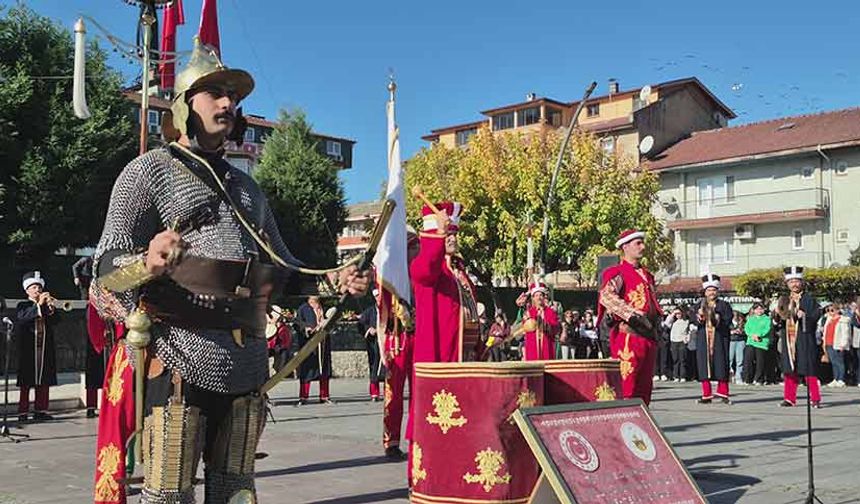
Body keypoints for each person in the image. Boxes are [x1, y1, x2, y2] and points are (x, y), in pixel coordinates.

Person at [90, 38, 368, 504]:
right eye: (215, 93)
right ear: (182, 106)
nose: (228, 103)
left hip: (244, 361)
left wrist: (333, 280)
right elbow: (104, 271)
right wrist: (147, 261)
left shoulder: (247, 189)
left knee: (236, 493)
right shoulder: (148, 173)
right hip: (178, 355)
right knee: (167, 496)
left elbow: (282, 271)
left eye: (233, 97)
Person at [597, 229, 662, 405]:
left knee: (644, 392)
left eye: (642, 242)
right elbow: (606, 296)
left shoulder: (647, 275)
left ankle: (639, 429)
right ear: (625, 247)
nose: (643, 246)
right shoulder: (617, 272)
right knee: (626, 387)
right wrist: (630, 313)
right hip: (629, 337)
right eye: (638, 243)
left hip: (648, 336)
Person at [410, 201, 480, 363]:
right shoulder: (424, 266)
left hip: (465, 357)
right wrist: (440, 232)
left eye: (455, 234)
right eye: (448, 235)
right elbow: (426, 269)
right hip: (441, 357)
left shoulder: (459, 271)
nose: (452, 239)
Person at [776, 266, 822, 408]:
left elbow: (816, 315)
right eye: (791, 282)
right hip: (788, 339)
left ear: (801, 282)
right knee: (789, 369)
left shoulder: (809, 299)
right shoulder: (784, 299)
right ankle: (789, 398)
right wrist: (776, 316)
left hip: (804, 338)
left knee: (809, 369)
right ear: (787, 284)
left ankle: (815, 398)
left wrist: (805, 316)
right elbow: (779, 319)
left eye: (797, 281)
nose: (794, 284)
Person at [15, 271, 58, 423]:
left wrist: (51, 308)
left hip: (44, 348)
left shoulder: (46, 306)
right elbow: (22, 319)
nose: (37, 290)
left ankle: (41, 410)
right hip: (29, 349)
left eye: (39, 287)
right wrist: (38, 306)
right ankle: (23, 411)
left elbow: (56, 321)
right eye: (34, 287)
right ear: (27, 290)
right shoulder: (23, 305)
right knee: (26, 381)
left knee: (44, 380)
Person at [694, 274, 733, 405]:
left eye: (714, 290)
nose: (711, 292)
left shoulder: (724, 305)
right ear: (705, 291)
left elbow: (728, 320)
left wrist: (718, 318)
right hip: (703, 338)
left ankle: (723, 393)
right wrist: (698, 317)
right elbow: (692, 319)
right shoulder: (699, 304)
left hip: (719, 338)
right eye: (709, 290)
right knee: (704, 365)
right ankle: (706, 394)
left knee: (721, 363)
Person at [296, 296, 335, 405]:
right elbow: (297, 322)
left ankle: (324, 395)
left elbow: (331, 319)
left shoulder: (324, 307)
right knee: (307, 368)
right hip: (309, 342)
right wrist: (306, 328)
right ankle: (303, 396)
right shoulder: (303, 308)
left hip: (323, 341)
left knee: (324, 368)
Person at [521, 282, 560, 360]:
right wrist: (528, 320)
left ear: (544, 297)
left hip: (546, 346)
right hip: (532, 346)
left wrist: (545, 324)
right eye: (536, 295)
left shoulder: (550, 312)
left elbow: (555, 328)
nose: (539, 298)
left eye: (540, 295)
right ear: (533, 298)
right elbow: (525, 329)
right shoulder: (529, 312)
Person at [358, 291, 384, 401]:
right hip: (373, 343)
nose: (379, 298)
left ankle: (388, 392)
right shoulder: (369, 311)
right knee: (374, 366)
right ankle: (374, 393)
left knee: (386, 367)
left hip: (385, 342)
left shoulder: (389, 310)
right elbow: (361, 324)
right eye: (377, 296)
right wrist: (369, 329)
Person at [821, 303, 851, 387]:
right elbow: (825, 331)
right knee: (833, 362)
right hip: (828, 343)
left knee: (839, 362)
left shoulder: (843, 320)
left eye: (832, 310)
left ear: (837, 310)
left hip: (837, 343)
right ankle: (835, 378)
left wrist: (843, 344)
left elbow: (845, 333)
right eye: (828, 310)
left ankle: (841, 379)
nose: (830, 312)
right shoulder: (828, 319)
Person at [744, 303, 771, 386]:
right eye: (757, 309)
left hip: (761, 343)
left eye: (761, 309)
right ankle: (748, 379)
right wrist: (752, 335)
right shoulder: (750, 319)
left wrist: (759, 335)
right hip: (751, 341)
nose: (759, 311)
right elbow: (746, 328)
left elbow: (767, 329)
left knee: (760, 362)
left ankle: (759, 379)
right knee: (748, 360)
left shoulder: (767, 319)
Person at [265, 305, 293, 374]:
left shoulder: (282, 328)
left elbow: (286, 341)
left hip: (275, 352)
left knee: (274, 371)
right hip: (266, 352)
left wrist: (280, 346)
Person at [667, 307, 691, 382]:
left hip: (682, 341)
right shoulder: (673, 322)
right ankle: (676, 376)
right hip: (674, 341)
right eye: (676, 314)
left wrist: (687, 339)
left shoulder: (686, 321)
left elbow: (689, 331)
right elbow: (667, 323)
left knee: (682, 359)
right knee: (675, 360)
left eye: (679, 313)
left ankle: (683, 376)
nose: (678, 315)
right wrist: (672, 314)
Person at [729, 311, 747, 385]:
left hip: (740, 340)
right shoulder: (728, 322)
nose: (735, 317)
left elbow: (746, 331)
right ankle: (728, 376)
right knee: (729, 359)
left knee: (740, 360)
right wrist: (731, 332)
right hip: (731, 341)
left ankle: (738, 377)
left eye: (736, 315)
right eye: (734, 315)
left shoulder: (743, 322)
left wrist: (741, 331)